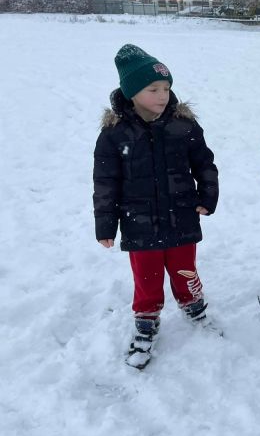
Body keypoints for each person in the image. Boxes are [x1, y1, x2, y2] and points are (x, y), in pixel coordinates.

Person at [93, 44, 220, 370]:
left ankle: (194, 305)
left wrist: (207, 196)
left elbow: (204, 164)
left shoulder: (183, 125)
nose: (163, 96)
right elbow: (105, 182)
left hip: (181, 216)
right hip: (139, 221)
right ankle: (146, 321)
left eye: (166, 88)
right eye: (153, 90)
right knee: (146, 278)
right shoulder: (114, 135)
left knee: (185, 268)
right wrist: (105, 224)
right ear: (132, 92)